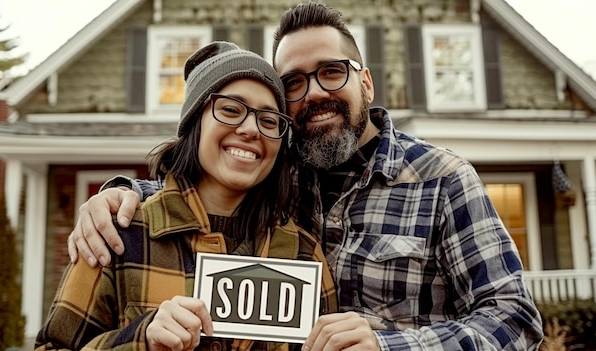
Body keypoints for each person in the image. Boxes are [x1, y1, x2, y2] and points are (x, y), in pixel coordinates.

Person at [69, 2, 544, 350]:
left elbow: (516, 319)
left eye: (331, 71)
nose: (314, 92)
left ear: (366, 81)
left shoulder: (443, 179)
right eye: (293, 81)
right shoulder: (281, 173)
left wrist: (390, 347)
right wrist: (122, 195)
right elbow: (208, 189)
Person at [36, 41, 338, 351]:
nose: (252, 129)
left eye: (269, 120)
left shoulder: (303, 252)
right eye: (231, 110)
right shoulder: (117, 237)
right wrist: (141, 340)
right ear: (195, 123)